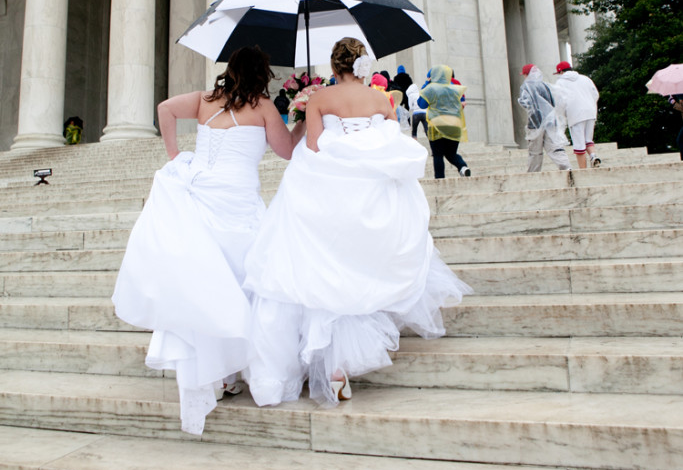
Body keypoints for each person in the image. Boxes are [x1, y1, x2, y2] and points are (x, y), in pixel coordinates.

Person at [243, 37, 472, 407]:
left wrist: (304, 115)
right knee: (355, 271)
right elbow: (386, 145)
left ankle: (330, 367)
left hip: (328, 194)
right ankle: (340, 366)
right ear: (363, 65)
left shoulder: (320, 99)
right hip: (371, 195)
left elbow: (314, 148)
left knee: (323, 272)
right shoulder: (382, 100)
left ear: (334, 68)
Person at [112, 46, 305, 436]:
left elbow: (165, 108)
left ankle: (220, 374)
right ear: (261, 73)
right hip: (239, 203)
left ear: (230, 70)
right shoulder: (265, 107)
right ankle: (235, 369)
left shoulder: (205, 100)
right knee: (245, 285)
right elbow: (286, 152)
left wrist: (174, 155)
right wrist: (298, 119)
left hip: (201, 195)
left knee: (208, 287)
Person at [417, 66, 471, 178]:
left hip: (437, 125)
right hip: (454, 125)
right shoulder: (454, 88)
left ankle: (439, 179)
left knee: (438, 154)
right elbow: (462, 102)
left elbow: (421, 104)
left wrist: (426, 84)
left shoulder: (431, 88)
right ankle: (463, 167)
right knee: (451, 154)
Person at [518, 64, 570, 172]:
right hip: (551, 121)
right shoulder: (545, 86)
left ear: (526, 74)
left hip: (536, 122)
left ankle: (533, 173)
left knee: (535, 151)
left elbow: (525, 103)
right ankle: (566, 167)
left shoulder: (526, 86)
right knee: (554, 147)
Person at [552, 61, 601, 168]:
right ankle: (593, 155)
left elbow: (559, 102)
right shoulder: (585, 78)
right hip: (590, 112)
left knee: (579, 144)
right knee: (588, 139)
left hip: (575, 114)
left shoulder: (560, 83)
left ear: (560, 72)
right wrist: (591, 105)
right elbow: (595, 94)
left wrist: (562, 115)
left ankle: (583, 171)